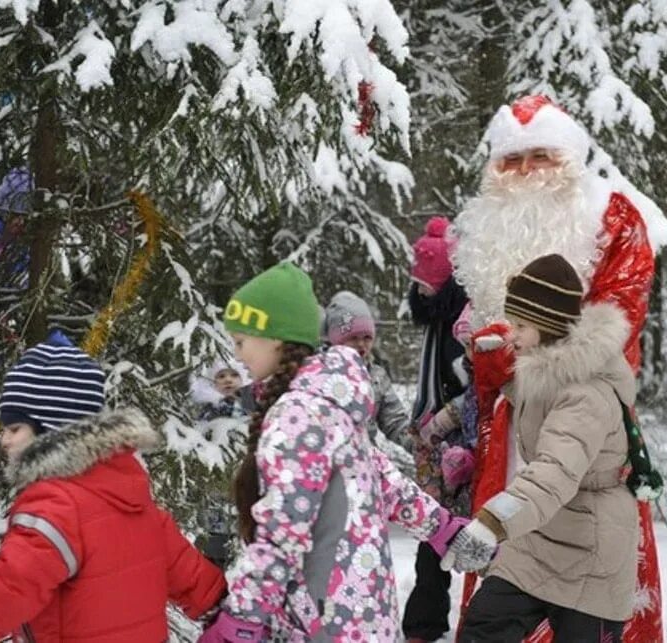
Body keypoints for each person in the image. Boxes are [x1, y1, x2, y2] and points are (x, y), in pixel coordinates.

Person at [451, 94, 661, 641]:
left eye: (539, 157)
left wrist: (524, 355)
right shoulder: (490, 233)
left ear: (566, 159)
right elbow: (485, 355)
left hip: (581, 448)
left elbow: (619, 322)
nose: (524, 172)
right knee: (496, 610)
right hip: (513, 445)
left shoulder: (609, 216)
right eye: (510, 160)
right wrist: (493, 358)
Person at [0, 331, 226, 643]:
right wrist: (236, 614)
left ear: (51, 431)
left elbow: (7, 590)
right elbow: (197, 580)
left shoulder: (57, 504)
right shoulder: (134, 500)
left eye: (15, 427)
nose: (3, 440)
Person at [199, 263, 467, 642]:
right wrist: (442, 527)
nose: (237, 356)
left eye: (242, 342)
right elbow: (386, 480)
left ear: (275, 339)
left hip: (324, 617)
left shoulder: (298, 415)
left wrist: (242, 618)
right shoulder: (331, 405)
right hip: (364, 613)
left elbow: (282, 532)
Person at [444, 255, 639, 642]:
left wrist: (492, 524)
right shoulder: (551, 369)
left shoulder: (587, 395)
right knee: (484, 628)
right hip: (542, 537)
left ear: (548, 326)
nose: (512, 334)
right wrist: (493, 370)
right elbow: (544, 404)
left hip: (591, 551)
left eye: (520, 325)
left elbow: (553, 472)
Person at [402, 216, 472, 643]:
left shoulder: (462, 323)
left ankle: (462, 618)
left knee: (454, 530)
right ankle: (424, 623)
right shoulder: (433, 321)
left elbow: (480, 386)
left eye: (427, 282)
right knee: (430, 531)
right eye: (417, 283)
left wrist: (445, 418)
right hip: (429, 444)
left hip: (458, 446)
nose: (421, 289)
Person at [323, 290, 411, 450]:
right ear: (336, 340)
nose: (361, 344)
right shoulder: (321, 375)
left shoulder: (376, 376)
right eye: (353, 338)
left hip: (366, 458)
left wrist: (417, 443)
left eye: (367, 338)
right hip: (329, 456)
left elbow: (394, 420)